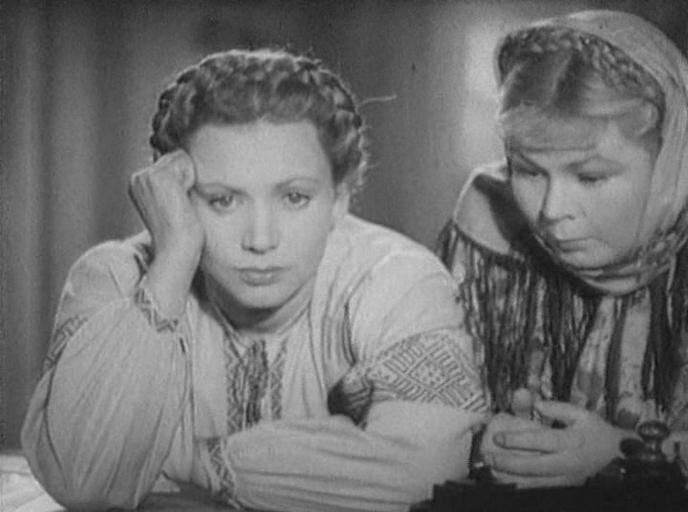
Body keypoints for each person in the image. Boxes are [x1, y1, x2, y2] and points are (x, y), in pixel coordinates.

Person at [21, 49, 486, 511]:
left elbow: (422, 473)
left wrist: (190, 464)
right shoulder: (115, 276)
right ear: (174, 195)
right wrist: (173, 261)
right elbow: (82, 483)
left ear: (340, 199)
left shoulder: (395, 279)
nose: (261, 240)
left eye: (294, 197)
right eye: (222, 201)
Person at [438, 9, 688, 488]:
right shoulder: (489, 222)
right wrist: (473, 438)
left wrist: (622, 452)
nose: (552, 211)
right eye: (529, 171)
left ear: (670, 159)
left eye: (590, 177)